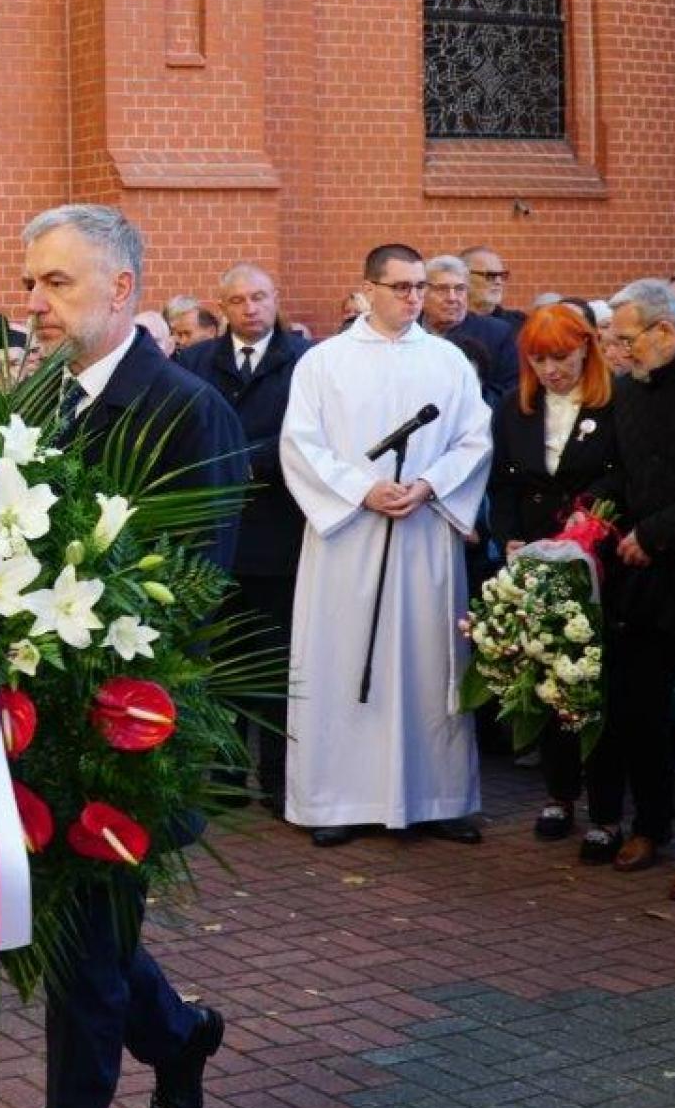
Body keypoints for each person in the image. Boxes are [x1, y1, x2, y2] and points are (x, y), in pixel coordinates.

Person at [22, 204, 244, 1108]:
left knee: (84, 955)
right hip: (36, 722)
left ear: (121, 290)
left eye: (56, 283)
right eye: (29, 281)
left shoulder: (189, 410)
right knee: (81, 942)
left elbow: (198, 585)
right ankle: (181, 1037)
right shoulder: (36, 407)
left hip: (130, 733)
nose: (33, 302)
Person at [280, 244, 494, 848]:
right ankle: (337, 799)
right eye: (400, 287)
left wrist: (429, 486)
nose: (414, 298)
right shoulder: (324, 362)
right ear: (367, 289)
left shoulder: (449, 361)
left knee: (428, 658)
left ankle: (437, 797)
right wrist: (362, 489)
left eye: (420, 287)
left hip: (424, 533)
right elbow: (300, 445)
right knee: (343, 658)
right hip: (349, 536)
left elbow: (475, 441)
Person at [177, 263, 311, 816]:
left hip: (279, 533)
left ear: (276, 298)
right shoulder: (194, 362)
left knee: (278, 668)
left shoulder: (306, 363)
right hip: (218, 535)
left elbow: (305, 436)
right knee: (223, 665)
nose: (251, 308)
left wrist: (237, 460)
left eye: (260, 297)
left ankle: (281, 781)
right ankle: (227, 777)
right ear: (222, 306)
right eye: (238, 300)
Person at [604, 279, 675, 902]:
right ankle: (649, 825)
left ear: (666, 333)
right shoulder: (631, 391)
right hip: (643, 578)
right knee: (637, 710)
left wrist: (654, 532)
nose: (619, 352)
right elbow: (625, 472)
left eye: (627, 340)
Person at [485, 305, 618, 845]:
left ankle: (607, 808)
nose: (551, 371)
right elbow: (500, 484)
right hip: (537, 554)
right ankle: (559, 794)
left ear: (585, 348)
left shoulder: (615, 404)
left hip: (597, 556)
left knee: (597, 677)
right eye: (538, 360)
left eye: (560, 358)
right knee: (548, 673)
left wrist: (595, 522)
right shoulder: (514, 410)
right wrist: (510, 534)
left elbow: (625, 474)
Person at [421, 254, 518, 404]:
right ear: (423, 293)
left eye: (460, 289)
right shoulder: (408, 330)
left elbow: (510, 394)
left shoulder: (497, 334)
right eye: (442, 289)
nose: (452, 298)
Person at [461, 246, 522, 333]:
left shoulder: (520, 325)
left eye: (501, 275)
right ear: (464, 277)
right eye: (490, 275)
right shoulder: (448, 324)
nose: (498, 282)